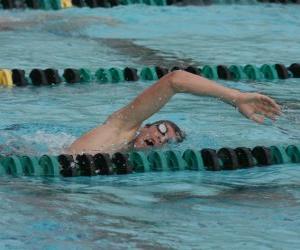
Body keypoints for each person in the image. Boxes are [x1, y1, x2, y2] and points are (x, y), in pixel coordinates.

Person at [68, 70, 281, 154]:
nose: (160, 137)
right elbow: (175, 80)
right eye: (161, 128)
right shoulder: (118, 129)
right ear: (144, 126)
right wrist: (236, 98)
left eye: (166, 140)